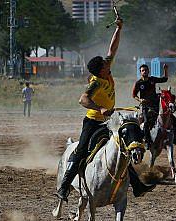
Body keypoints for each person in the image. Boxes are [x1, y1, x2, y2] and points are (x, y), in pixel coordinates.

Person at [56, 18, 155, 202]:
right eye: (104, 64)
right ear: (100, 71)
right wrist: (100, 107)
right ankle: (64, 186)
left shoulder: (105, 72)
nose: (107, 63)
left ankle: (138, 186)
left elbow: (112, 49)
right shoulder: (96, 82)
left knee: (121, 149)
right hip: (92, 122)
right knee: (81, 150)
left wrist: (119, 28)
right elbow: (83, 99)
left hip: (108, 122)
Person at [132, 64, 176, 147]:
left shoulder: (152, 79)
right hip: (146, 106)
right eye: (142, 70)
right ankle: (148, 142)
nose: (144, 72)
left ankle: (175, 138)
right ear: (140, 72)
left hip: (156, 104)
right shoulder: (138, 83)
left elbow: (165, 79)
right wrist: (140, 100)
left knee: (172, 118)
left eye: (146, 70)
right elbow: (134, 95)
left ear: (148, 71)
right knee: (146, 122)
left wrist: (165, 69)